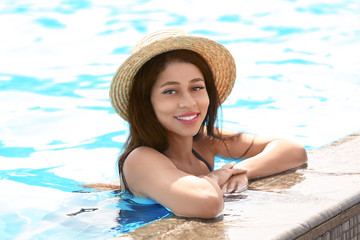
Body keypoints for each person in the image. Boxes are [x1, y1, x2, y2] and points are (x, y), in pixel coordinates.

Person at [109, 29, 307, 219]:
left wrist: (240, 173)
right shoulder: (140, 160)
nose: (189, 102)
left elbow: (293, 150)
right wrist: (214, 178)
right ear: (146, 102)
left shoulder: (205, 142)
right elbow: (207, 203)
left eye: (196, 87)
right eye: (170, 91)